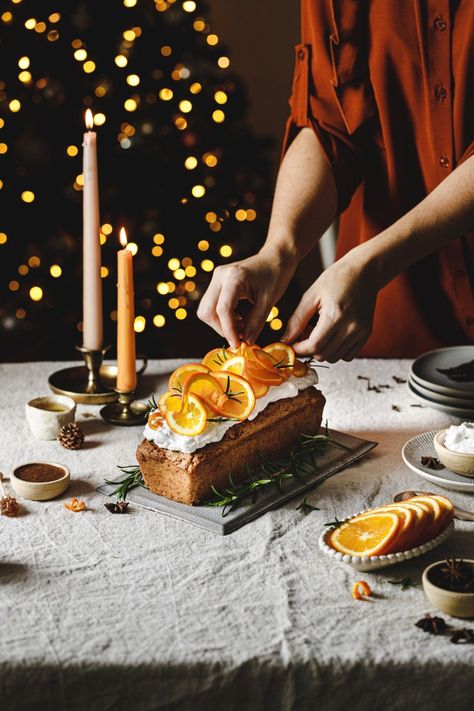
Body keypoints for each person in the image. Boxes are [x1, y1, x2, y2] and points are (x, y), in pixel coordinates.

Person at [198, 0, 473, 362]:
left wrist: (371, 265)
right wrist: (278, 252)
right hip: (398, 342)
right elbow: (330, 122)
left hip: (380, 280)